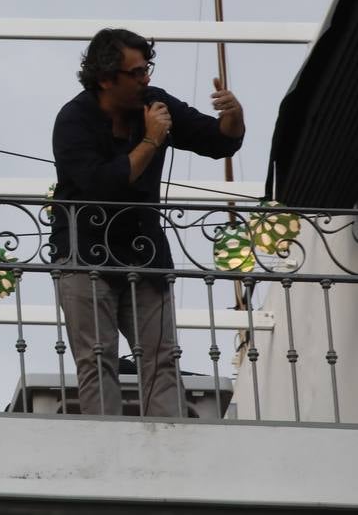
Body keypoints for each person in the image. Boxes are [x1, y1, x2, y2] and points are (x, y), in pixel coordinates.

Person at [50, 28, 244, 416]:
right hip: (84, 255)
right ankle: (110, 450)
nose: (146, 79)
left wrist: (234, 116)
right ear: (106, 79)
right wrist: (152, 141)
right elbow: (101, 186)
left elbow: (219, 141)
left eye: (147, 68)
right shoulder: (74, 120)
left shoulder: (155, 103)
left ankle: (167, 450)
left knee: (162, 358)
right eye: (136, 73)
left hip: (144, 253)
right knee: (97, 360)